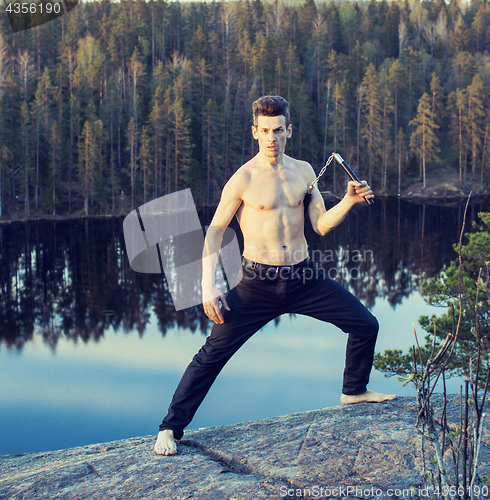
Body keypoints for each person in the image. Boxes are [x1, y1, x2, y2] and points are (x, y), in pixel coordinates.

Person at [154, 95, 397, 456]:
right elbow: (215, 231)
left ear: (289, 131)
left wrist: (347, 201)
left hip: (304, 278)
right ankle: (170, 428)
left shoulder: (303, 172)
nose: (272, 138)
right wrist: (207, 285)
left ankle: (353, 391)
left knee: (365, 324)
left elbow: (321, 225)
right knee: (211, 355)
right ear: (255, 132)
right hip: (257, 283)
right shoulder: (243, 179)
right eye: (265, 131)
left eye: (278, 130)